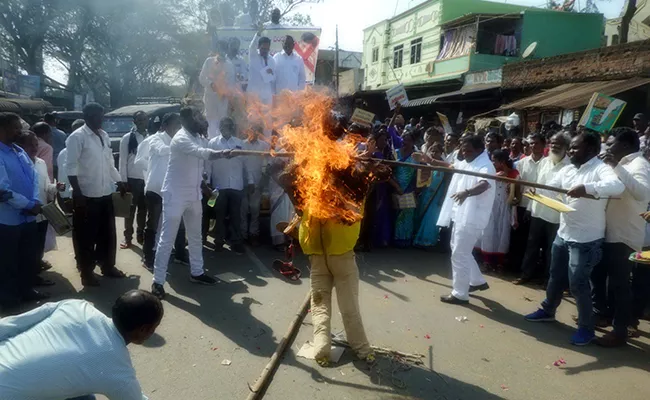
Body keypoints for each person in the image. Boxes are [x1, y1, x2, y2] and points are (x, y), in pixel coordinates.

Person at [525, 132, 625, 346]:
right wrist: (538, 191)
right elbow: (552, 188)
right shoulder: (569, 169)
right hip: (564, 232)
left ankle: (586, 329)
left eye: (575, 148)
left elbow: (617, 187)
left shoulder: (600, 169)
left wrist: (587, 188)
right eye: (570, 148)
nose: (570, 151)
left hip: (586, 239)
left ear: (591, 150)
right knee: (555, 275)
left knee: (578, 283)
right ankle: (548, 310)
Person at [0, 290, 163, 399]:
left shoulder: (75, 306)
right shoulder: (117, 368)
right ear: (144, 329)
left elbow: (12, 324)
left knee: (84, 393)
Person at [151, 107, 224, 299]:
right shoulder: (181, 138)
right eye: (196, 116)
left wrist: (205, 187)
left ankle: (197, 272)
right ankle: (157, 282)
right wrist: (224, 153)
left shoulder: (198, 137)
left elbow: (197, 167)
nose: (200, 119)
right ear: (185, 120)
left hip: (193, 194)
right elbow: (200, 153)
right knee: (167, 239)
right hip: (175, 194)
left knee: (196, 236)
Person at [590, 128, 650, 346]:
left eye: (611, 143)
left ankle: (620, 330)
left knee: (619, 285)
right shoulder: (623, 163)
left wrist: (615, 166)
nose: (608, 147)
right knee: (599, 277)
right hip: (608, 231)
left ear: (624, 146)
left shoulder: (639, 165)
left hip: (625, 235)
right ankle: (603, 315)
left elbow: (643, 193)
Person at [66, 103, 128, 287]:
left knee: (107, 233)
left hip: (105, 193)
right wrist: (77, 193)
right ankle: (86, 272)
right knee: (86, 236)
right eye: (97, 116)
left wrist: (119, 181)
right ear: (87, 117)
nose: (101, 119)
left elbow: (109, 163)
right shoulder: (77, 137)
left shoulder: (104, 135)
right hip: (86, 196)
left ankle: (107, 266)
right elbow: (70, 167)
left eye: (102, 116)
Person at [437, 135, 496, 304]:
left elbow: (484, 184)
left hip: (472, 217)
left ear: (479, 149)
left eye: (468, 150)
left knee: (459, 253)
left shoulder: (485, 165)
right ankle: (476, 281)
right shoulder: (469, 161)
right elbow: (452, 165)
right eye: (463, 149)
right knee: (459, 249)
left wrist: (467, 192)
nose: (465, 152)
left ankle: (460, 294)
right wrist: (428, 159)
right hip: (461, 213)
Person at [0, 113, 46, 310]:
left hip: (28, 218)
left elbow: (34, 176)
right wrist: (28, 205)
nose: (19, 131)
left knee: (27, 257)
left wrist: (34, 201)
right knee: (8, 261)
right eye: (15, 127)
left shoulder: (18, 150)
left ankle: (26, 290)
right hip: (7, 220)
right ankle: (9, 298)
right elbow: (2, 191)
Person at [135, 113, 189, 271]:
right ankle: (148, 257)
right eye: (175, 125)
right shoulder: (155, 139)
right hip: (156, 188)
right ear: (164, 126)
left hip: (174, 189)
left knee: (178, 222)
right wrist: (152, 171)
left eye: (180, 125)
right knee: (152, 223)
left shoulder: (178, 141)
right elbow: (159, 151)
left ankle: (179, 254)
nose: (178, 128)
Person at [516, 132, 571, 285]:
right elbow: (536, 186)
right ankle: (526, 274)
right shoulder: (544, 161)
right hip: (537, 210)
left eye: (558, 144)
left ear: (566, 147)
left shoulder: (571, 166)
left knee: (551, 249)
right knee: (532, 244)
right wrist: (529, 208)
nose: (554, 146)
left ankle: (549, 279)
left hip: (556, 214)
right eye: (552, 143)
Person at [15, 131, 64, 285]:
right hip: (25, 215)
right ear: (20, 145)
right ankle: (27, 279)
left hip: (42, 214)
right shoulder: (17, 163)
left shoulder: (41, 163)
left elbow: (46, 187)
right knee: (26, 251)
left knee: (38, 249)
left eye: (36, 144)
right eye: (30, 144)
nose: (34, 148)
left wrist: (56, 187)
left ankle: (34, 276)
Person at [206, 117, 250, 255]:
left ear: (232, 127)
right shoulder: (213, 143)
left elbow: (246, 165)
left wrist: (251, 181)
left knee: (236, 216)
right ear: (220, 127)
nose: (226, 128)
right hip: (219, 185)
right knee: (220, 215)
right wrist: (207, 183)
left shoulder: (239, 143)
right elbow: (208, 165)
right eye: (224, 125)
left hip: (236, 185)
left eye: (229, 125)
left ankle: (236, 242)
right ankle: (219, 242)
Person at [476, 149, 519, 272]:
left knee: (502, 233)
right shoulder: (490, 172)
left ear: (502, 162)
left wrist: (513, 195)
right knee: (488, 232)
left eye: (494, 161)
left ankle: (500, 262)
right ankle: (487, 261)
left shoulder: (514, 174)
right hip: (491, 205)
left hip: (504, 207)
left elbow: (517, 194)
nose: (492, 163)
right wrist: (494, 176)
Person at [511, 133, 546, 273]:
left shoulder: (548, 163)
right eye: (531, 143)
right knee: (520, 239)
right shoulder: (522, 162)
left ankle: (534, 271)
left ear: (544, 145)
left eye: (537, 143)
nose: (533, 146)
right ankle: (517, 268)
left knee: (536, 241)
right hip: (522, 204)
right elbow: (517, 184)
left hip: (539, 207)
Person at [119, 111, 149, 249]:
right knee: (130, 211)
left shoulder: (151, 137)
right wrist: (123, 181)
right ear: (135, 121)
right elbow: (122, 160)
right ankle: (128, 238)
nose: (142, 121)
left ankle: (140, 235)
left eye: (144, 119)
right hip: (132, 180)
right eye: (139, 119)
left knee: (143, 210)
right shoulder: (127, 138)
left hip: (147, 179)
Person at [200, 40, 236, 139]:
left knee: (222, 121)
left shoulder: (229, 64)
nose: (222, 52)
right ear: (217, 50)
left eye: (224, 49)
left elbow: (231, 83)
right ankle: (211, 143)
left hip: (223, 99)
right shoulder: (209, 61)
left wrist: (225, 91)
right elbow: (202, 78)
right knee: (210, 122)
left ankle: (220, 144)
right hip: (210, 98)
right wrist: (211, 84)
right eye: (220, 49)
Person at [241, 125, 270, 246]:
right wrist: (249, 181)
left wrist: (263, 179)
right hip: (243, 183)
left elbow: (267, 163)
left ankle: (253, 234)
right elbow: (243, 164)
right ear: (248, 131)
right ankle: (242, 235)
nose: (254, 133)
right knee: (242, 210)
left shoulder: (263, 145)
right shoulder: (242, 144)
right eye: (252, 130)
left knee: (255, 211)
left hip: (257, 183)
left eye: (257, 131)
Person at [414, 142, 446, 248]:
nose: (433, 153)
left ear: (441, 153)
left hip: (437, 195)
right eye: (431, 150)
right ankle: (418, 240)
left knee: (431, 218)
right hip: (425, 194)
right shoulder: (426, 165)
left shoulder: (444, 165)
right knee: (421, 215)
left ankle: (428, 241)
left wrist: (443, 197)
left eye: (436, 151)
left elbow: (447, 183)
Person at [390, 132, 418, 248]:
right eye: (403, 140)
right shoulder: (395, 153)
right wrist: (396, 186)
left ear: (413, 142)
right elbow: (389, 170)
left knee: (407, 215)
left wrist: (416, 190)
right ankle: (394, 239)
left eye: (408, 140)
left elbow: (421, 174)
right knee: (395, 214)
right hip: (394, 187)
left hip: (409, 189)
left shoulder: (416, 156)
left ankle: (405, 240)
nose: (405, 142)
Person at [248, 28, 275, 107]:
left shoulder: (272, 60)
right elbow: (252, 46)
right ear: (258, 47)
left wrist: (271, 73)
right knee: (254, 118)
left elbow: (273, 79)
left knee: (267, 118)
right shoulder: (254, 56)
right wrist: (258, 33)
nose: (265, 51)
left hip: (266, 95)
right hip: (254, 95)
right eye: (263, 48)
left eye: (267, 49)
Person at [43, 112, 67, 180]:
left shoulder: (42, 133)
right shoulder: (62, 134)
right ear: (54, 121)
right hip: (58, 162)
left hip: (46, 162)